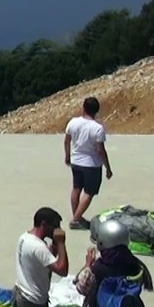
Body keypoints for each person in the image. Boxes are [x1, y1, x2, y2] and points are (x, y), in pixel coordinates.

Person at [65, 97, 113, 229]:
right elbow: (100, 150)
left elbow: (67, 140)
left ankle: (77, 216)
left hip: (76, 161)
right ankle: (75, 219)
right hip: (91, 164)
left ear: (83, 108)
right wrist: (108, 167)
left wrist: (67, 156)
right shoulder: (97, 128)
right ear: (97, 111)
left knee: (76, 188)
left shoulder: (73, 122)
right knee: (89, 192)